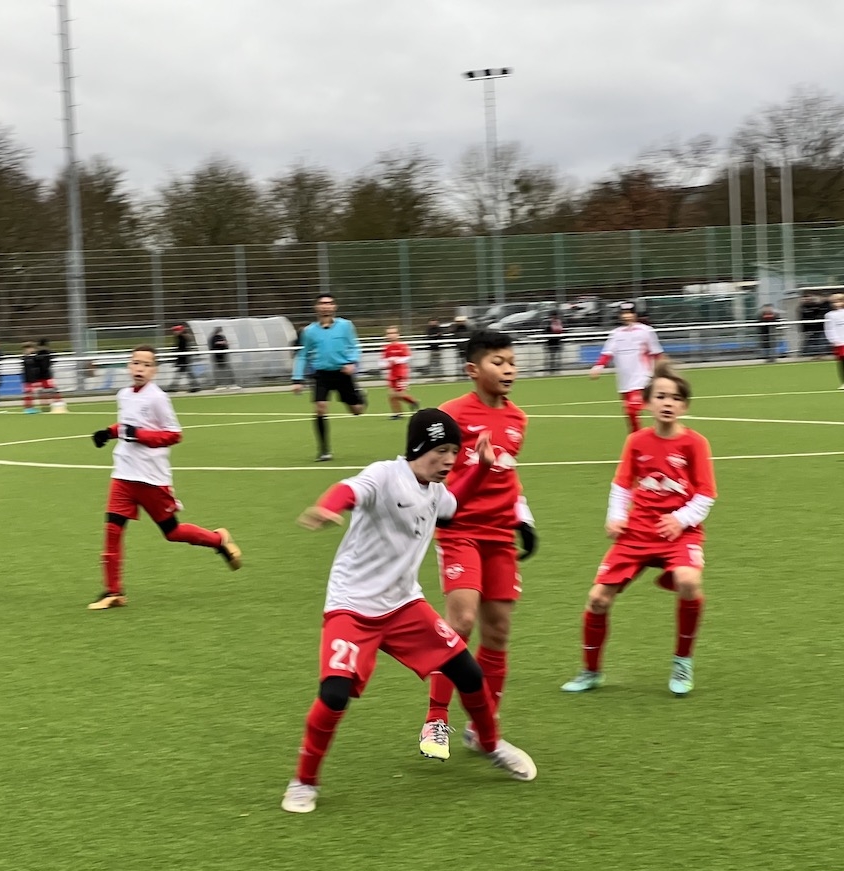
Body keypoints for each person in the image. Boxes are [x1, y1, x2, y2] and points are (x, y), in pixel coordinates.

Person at [280, 408, 537, 814]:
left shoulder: (434, 489)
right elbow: (349, 490)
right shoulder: (386, 475)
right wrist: (329, 506)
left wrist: (482, 468)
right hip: (352, 607)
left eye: (455, 451)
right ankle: (303, 781)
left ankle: (491, 744)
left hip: (403, 606)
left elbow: (454, 504)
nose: (450, 459)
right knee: (334, 694)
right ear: (419, 447)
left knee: (468, 673)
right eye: (442, 450)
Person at [561, 361, 715, 696]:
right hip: (637, 532)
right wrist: (615, 516)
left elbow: (706, 494)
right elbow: (622, 484)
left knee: (689, 581)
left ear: (685, 406)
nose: (668, 403)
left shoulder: (695, 443)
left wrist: (680, 519)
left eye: (675, 398)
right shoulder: (636, 441)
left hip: (679, 533)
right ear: (647, 402)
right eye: (661, 396)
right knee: (598, 599)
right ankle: (590, 671)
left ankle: (682, 661)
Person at [419, 329, 537, 762]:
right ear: (473, 369)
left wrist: (524, 516)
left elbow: (509, 474)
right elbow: (428, 474)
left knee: (498, 630)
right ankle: (436, 718)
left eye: (512, 362)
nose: (509, 370)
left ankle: (482, 725)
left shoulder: (518, 419)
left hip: (500, 534)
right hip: (460, 530)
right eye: (498, 362)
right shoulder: (449, 416)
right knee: (462, 620)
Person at [87, 345, 242, 610]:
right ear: (129, 366)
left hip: (151, 478)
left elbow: (173, 434)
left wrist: (139, 435)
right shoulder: (124, 395)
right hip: (123, 474)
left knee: (172, 532)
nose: (140, 368)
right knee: (112, 529)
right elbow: (127, 425)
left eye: (146, 365)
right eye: (136, 363)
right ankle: (114, 592)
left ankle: (218, 540)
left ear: (154, 370)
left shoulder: (158, 398)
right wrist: (108, 432)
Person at [291, 294, 366, 462]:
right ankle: (324, 450)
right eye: (322, 303)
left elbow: (354, 346)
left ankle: (360, 397)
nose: (326, 306)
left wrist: (352, 362)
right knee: (320, 408)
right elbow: (302, 355)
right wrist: (297, 379)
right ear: (316, 307)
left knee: (357, 410)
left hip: (342, 373)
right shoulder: (309, 331)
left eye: (329, 303)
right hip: (321, 375)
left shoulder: (346, 326)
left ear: (335, 307)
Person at [589, 301, 665, 434]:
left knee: (633, 408)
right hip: (625, 381)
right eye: (624, 313)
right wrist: (598, 366)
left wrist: (664, 370)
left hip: (643, 377)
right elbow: (607, 352)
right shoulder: (616, 333)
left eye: (629, 313)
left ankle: (658, 432)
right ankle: (636, 437)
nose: (626, 316)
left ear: (635, 314)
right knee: (630, 414)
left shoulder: (646, 331)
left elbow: (657, 353)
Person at [381, 326, 419, 420]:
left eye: (393, 333)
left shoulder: (402, 346)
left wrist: (397, 360)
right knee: (391, 395)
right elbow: (383, 360)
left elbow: (408, 357)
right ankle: (397, 414)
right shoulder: (386, 348)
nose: (391, 335)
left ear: (398, 334)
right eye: (389, 333)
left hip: (401, 374)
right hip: (392, 374)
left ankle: (413, 401)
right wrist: (385, 363)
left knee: (399, 394)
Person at [31, 337, 66, 412]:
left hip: (40, 376)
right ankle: (59, 405)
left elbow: (35, 364)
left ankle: (46, 408)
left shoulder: (37, 355)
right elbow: (52, 360)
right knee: (52, 390)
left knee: (43, 392)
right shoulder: (47, 354)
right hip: (46, 375)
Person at [167, 325, 200, 393]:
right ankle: (195, 386)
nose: (174, 332)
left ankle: (173, 387)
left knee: (183, 374)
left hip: (184, 359)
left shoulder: (181, 338)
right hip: (184, 359)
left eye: (175, 331)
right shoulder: (182, 338)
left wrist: (175, 354)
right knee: (187, 374)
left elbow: (181, 349)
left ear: (180, 331)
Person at [825, 294, 844, 389]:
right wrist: (834, 340)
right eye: (835, 302)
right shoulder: (830, 315)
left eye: (840, 301)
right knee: (842, 364)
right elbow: (829, 328)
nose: (837, 304)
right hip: (840, 343)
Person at [20, 341, 41, 414]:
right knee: (28, 394)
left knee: (30, 394)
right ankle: (28, 408)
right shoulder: (25, 358)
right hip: (27, 378)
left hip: (31, 378)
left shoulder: (32, 357)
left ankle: (31, 408)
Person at [544, 309, 565, 375]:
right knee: (552, 357)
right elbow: (546, 332)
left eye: (555, 315)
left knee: (557, 357)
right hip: (551, 342)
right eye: (553, 315)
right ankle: (552, 370)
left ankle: (556, 369)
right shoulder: (549, 323)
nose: (554, 317)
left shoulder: (559, 322)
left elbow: (562, 331)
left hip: (557, 342)